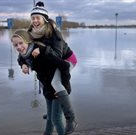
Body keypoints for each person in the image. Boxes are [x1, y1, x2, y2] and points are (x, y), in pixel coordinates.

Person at [11, 29, 77, 135]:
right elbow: (21, 58)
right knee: (50, 119)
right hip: (46, 87)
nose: (18, 47)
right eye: (15, 45)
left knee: (56, 119)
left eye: (21, 43)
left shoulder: (42, 53)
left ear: (28, 41)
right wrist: (22, 64)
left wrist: (64, 87)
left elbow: (65, 66)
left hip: (57, 90)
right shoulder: (26, 55)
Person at [28, 1, 78, 134]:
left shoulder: (54, 34)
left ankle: (70, 117)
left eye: (38, 18)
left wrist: (42, 49)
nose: (35, 21)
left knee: (56, 82)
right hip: (53, 65)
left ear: (44, 19)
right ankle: (51, 115)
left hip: (67, 60)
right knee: (51, 85)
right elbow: (25, 51)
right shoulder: (31, 33)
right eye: (33, 18)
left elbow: (57, 55)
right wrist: (23, 63)